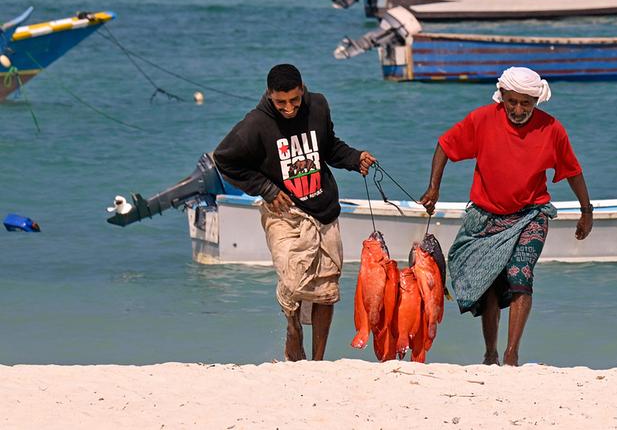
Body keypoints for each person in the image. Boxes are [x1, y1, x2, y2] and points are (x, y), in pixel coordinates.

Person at [418, 67, 593, 366]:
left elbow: (572, 171)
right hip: (486, 218)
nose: (518, 109)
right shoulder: (482, 120)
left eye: (526, 103)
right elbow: (445, 146)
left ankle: (511, 355)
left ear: (537, 101)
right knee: (491, 285)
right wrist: (434, 186)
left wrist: (586, 211)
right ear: (502, 97)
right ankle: (491, 353)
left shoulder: (551, 130)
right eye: (512, 102)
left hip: (531, 214)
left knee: (520, 275)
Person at [214, 64, 376, 361]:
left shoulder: (319, 106)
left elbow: (329, 148)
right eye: (281, 102)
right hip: (285, 214)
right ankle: (293, 328)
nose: (288, 108)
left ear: (302, 90)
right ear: (269, 95)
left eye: (294, 100)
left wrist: (356, 158)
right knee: (292, 282)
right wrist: (266, 188)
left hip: (323, 208)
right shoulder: (256, 124)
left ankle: (318, 360)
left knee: (326, 289)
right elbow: (224, 160)